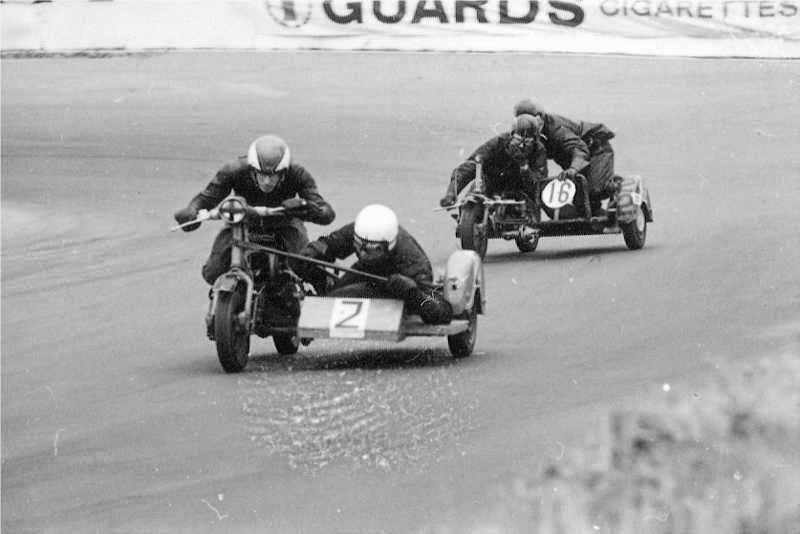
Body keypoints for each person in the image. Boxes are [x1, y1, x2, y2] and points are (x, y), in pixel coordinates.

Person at [173, 134, 336, 285]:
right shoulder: (233, 170)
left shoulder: (298, 173)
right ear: (252, 170)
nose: (267, 181)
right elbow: (206, 197)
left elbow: (325, 210)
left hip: (285, 224)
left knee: (306, 269)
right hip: (242, 223)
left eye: (273, 175)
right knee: (212, 273)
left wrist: (310, 210)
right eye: (261, 174)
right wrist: (192, 210)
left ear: (284, 172)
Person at [298, 204, 453, 325]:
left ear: (389, 246)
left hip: (398, 283)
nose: (363, 254)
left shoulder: (413, 262)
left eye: (372, 249)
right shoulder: (363, 232)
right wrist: (313, 251)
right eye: (358, 246)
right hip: (366, 271)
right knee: (329, 297)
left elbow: (442, 313)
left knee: (342, 297)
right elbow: (330, 242)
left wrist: (413, 293)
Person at [513, 99, 617, 216]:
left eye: (529, 121)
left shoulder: (557, 129)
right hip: (573, 158)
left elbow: (580, 148)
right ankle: (599, 219)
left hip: (596, 150)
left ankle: (616, 185)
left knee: (595, 190)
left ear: (540, 117)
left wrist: (573, 168)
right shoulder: (530, 133)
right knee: (582, 203)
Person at [439, 114, 549, 213]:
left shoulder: (539, 151)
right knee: (469, 205)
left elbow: (539, 184)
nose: (521, 146)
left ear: (535, 140)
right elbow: (471, 165)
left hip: (520, 192)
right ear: (511, 135)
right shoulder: (498, 143)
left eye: (528, 142)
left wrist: (524, 167)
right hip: (490, 185)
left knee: (532, 214)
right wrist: (452, 192)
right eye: (518, 139)